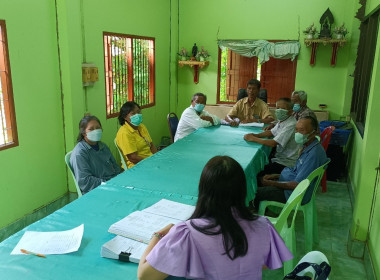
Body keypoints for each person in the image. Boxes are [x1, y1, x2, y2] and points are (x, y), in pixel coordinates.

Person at [137, 156, 293, 280]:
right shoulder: (264, 226)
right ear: (242, 189)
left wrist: (156, 237)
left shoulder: (187, 234)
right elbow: (264, 263)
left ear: (203, 189)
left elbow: (144, 276)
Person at [253, 116, 328, 210]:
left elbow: (297, 185)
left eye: (302, 130)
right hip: (288, 185)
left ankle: (256, 215)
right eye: (296, 130)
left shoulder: (313, 155)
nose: (297, 133)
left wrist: (272, 183)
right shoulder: (308, 146)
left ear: (314, 132)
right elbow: (296, 172)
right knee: (254, 180)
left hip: (291, 194)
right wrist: (275, 176)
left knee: (252, 192)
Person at [244, 98, 300, 178]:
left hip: (286, 162)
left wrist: (253, 139)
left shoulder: (291, 124)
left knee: (255, 173)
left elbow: (273, 143)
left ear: (290, 111)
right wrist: (256, 135)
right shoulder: (283, 120)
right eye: (278, 108)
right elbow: (272, 132)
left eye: (283, 109)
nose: (279, 110)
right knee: (259, 164)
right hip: (279, 157)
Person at [70, 115, 121, 194]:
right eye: (91, 129)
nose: (95, 131)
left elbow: (115, 167)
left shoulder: (103, 146)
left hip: (113, 184)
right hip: (96, 190)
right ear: (84, 133)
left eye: (98, 128)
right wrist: (108, 183)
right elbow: (85, 181)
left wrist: (118, 180)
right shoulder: (80, 153)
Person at [116, 101, 157, 169]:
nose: (137, 115)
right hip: (136, 166)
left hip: (150, 160)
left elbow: (151, 145)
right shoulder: (124, 133)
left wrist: (158, 158)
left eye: (138, 112)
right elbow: (133, 158)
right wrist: (150, 164)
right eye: (133, 113)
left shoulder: (141, 126)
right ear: (125, 117)